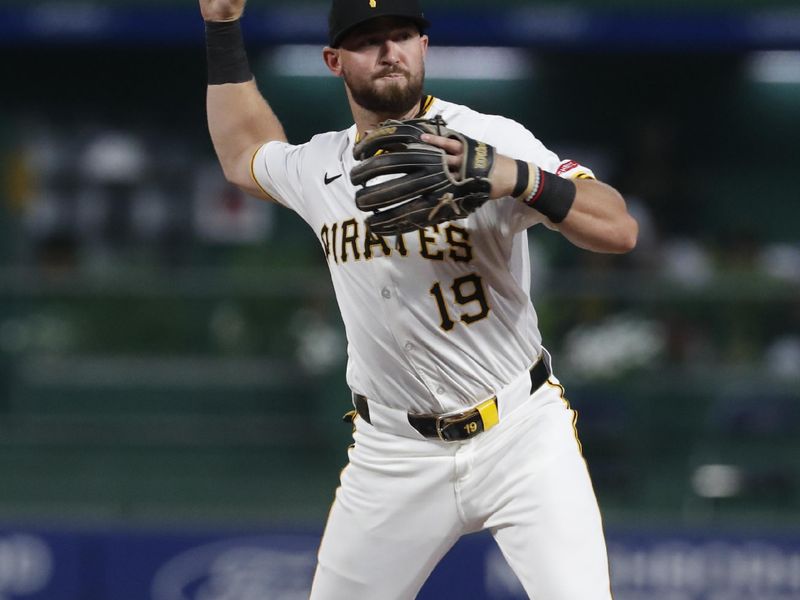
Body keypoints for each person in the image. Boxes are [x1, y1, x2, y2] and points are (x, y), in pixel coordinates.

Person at [199, 0, 638, 597]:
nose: (388, 50)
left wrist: (515, 177)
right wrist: (222, 27)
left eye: (402, 34)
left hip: (520, 434)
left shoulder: (488, 137)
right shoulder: (320, 165)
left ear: (424, 46)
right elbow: (241, 154)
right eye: (367, 38)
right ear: (334, 60)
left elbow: (618, 227)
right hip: (392, 452)